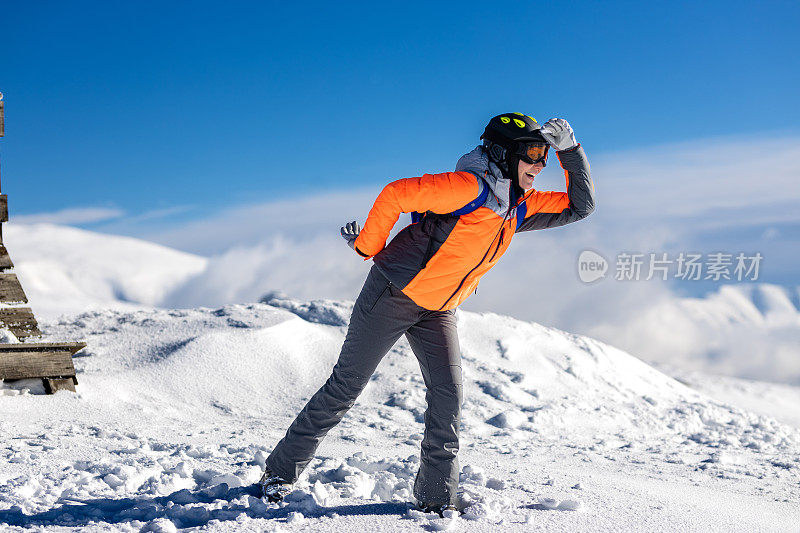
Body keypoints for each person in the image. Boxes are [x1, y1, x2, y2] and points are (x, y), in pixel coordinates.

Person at [259, 113, 595, 515]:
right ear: (506, 154)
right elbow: (395, 194)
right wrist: (368, 247)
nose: (541, 165)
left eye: (545, 154)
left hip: (440, 308)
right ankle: (277, 476)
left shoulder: (518, 207)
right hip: (392, 293)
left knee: (448, 398)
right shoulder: (468, 188)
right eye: (535, 154)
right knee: (345, 388)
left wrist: (570, 151)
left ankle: (436, 499)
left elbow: (581, 206)